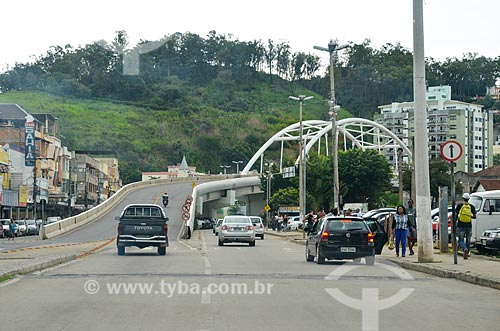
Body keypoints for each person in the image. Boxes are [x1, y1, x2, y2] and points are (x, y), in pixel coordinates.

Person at [455, 193, 476, 260]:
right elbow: (474, 216)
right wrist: (470, 216)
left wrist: (455, 222)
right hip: (469, 225)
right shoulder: (472, 207)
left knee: (460, 240)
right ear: (469, 199)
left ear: (463, 198)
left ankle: (464, 249)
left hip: (461, 225)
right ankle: (467, 252)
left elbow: (455, 215)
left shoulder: (459, 206)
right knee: (468, 240)